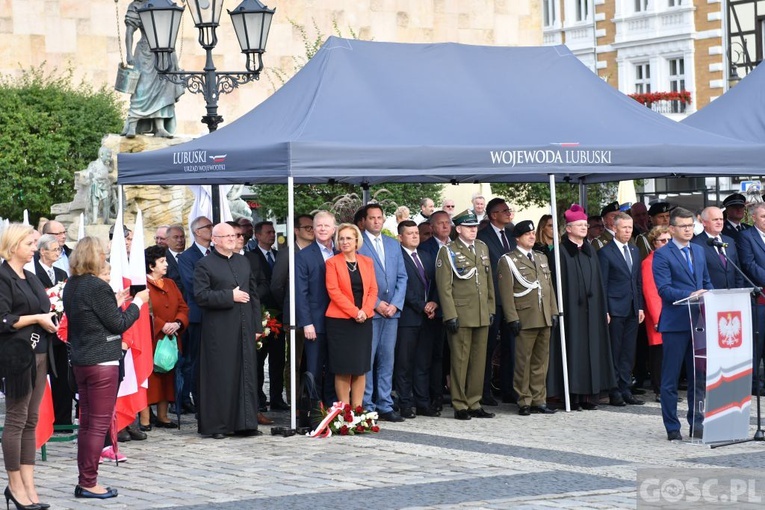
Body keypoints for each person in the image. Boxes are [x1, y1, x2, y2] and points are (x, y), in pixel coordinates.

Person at [63, 236, 148, 499]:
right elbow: (119, 324)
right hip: (101, 361)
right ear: (93, 256)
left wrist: (116, 299)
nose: (105, 257)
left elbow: (94, 315)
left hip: (82, 360)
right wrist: (137, 303)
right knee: (97, 426)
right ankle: (88, 482)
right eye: (102, 253)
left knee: (88, 424)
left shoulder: (73, 285)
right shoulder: (95, 286)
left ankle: (86, 479)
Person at [0, 224, 59, 510]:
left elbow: (44, 308)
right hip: (18, 356)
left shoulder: (33, 278)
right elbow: (4, 320)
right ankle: (14, 484)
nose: (34, 248)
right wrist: (37, 318)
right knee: (16, 418)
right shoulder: (2, 277)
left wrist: (49, 315)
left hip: (41, 353)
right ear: (13, 246)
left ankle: (29, 483)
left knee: (31, 420)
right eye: (29, 243)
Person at [194, 223, 263, 439]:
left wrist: (257, 325)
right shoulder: (204, 265)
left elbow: (253, 293)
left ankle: (245, 423)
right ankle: (218, 425)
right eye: (227, 236)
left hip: (244, 327)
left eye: (234, 235)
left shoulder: (243, 261)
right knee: (221, 376)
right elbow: (201, 296)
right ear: (214, 239)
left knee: (246, 373)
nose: (232, 239)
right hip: (220, 330)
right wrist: (228, 296)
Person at [653, 207, 712, 441]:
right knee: (670, 378)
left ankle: (697, 424)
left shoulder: (699, 251)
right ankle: (672, 427)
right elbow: (664, 289)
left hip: (698, 322)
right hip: (675, 323)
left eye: (691, 226)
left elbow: (706, 281)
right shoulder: (663, 255)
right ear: (672, 229)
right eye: (683, 226)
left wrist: (710, 293)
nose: (688, 230)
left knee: (697, 378)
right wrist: (694, 293)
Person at [547, 205, 614, 410]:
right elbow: (555, 284)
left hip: (592, 310)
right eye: (580, 225)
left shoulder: (591, 251)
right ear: (568, 228)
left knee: (592, 350)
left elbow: (599, 283)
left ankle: (589, 395)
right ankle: (572, 396)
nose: (585, 228)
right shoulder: (559, 253)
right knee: (573, 348)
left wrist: (604, 309)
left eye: (586, 224)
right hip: (570, 311)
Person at [435, 210, 496, 420]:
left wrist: (491, 308)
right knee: (460, 360)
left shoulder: (482, 247)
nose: (473, 230)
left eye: (475, 227)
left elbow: (488, 282)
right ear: (458, 229)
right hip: (461, 313)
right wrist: (450, 314)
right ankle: (460, 404)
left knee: (479, 361)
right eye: (469, 227)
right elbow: (444, 287)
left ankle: (474, 401)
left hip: (481, 312)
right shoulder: (448, 251)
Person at [497, 220, 558, 416]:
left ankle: (539, 399)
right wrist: (512, 318)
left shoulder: (541, 258)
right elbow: (506, 293)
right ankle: (524, 399)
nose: (532, 236)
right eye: (527, 234)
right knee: (523, 361)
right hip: (525, 316)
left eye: (533, 233)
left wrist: (553, 311)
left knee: (541, 361)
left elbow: (548, 288)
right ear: (517, 238)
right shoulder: (508, 260)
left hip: (543, 316)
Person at [358, 204, 408, 422]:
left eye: (379, 217)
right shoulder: (358, 243)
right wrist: (377, 304)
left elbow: (402, 277)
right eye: (372, 218)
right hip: (371, 310)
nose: (377, 221)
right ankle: (367, 405)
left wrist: (395, 304)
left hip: (392, 312)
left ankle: (385, 404)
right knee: (368, 359)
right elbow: (358, 281)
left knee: (387, 359)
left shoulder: (392, 244)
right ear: (365, 221)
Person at [325, 224, 377, 408]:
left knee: (360, 368)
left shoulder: (367, 262)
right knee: (343, 369)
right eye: (341, 238)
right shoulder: (332, 263)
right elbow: (334, 291)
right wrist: (355, 312)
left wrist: (364, 311)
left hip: (364, 321)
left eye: (348, 238)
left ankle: (358, 411)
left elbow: (372, 290)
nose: (345, 242)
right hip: (340, 322)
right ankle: (344, 411)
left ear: (357, 241)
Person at [597, 212, 645, 407]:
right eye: (624, 227)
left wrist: (640, 306)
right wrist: (606, 309)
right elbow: (604, 284)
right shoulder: (605, 252)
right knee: (615, 351)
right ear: (614, 229)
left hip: (633, 308)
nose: (628, 231)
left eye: (630, 227)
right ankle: (614, 389)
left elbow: (638, 282)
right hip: (615, 308)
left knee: (628, 351)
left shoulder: (634, 250)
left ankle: (626, 388)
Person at [139, 245, 188, 430]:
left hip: (171, 339)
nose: (166, 264)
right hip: (151, 339)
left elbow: (183, 307)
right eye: (162, 261)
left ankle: (163, 416)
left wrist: (178, 322)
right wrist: (161, 325)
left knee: (168, 378)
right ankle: (144, 419)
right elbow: (143, 312)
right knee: (150, 380)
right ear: (151, 266)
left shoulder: (170, 284)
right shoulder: (142, 285)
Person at [395, 220, 440, 418]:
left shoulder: (426, 256)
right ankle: (405, 403)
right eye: (410, 233)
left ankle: (423, 402)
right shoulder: (397, 257)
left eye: (416, 233)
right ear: (400, 237)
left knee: (423, 363)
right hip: (407, 317)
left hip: (428, 318)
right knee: (405, 363)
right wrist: (422, 305)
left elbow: (439, 282)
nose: (415, 236)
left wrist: (434, 303)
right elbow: (401, 288)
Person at [121, 0, 184, 138]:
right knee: (140, 89)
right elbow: (129, 32)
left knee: (163, 89)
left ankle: (160, 127)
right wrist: (129, 53)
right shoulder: (136, 5)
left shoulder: (164, 3)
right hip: (144, 52)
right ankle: (132, 125)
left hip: (164, 53)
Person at [476, 198, 517, 405]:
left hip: (512, 299)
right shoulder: (482, 238)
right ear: (493, 215)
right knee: (488, 346)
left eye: (508, 210)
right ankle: (484, 390)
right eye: (504, 211)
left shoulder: (511, 236)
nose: (508, 213)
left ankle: (508, 389)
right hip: (492, 299)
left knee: (511, 345)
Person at [295, 211, 337, 405]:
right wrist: (307, 323)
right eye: (318, 225)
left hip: (339, 321)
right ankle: (313, 410)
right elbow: (300, 293)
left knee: (335, 367)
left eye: (326, 226)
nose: (322, 229)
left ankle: (332, 408)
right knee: (313, 367)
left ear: (334, 229)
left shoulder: (341, 252)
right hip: (316, 323)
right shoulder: (303, 256)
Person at [34, 235, 72, 429]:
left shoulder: (60, 272)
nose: (58, 252)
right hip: (40, 330)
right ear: (42, 251)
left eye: (59, 249)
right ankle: (43, 420)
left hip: (60, 331)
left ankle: (63, 419)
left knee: (63, 374)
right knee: (43, 375)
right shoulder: (32, 272)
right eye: (54, 249)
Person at [176, 216, 213, 414]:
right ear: (197, 232)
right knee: (194, 360)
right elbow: (192, 285)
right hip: (199, 315)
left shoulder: (216, 252)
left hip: (218, 315)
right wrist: (220, 291)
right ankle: (193, 399)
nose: (212, 229)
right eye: (208, 227)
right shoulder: (187, 257)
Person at [250, 221, 287, 411]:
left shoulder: (279, 255)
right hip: (261, 313)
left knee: (278, 359)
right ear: (257, 235)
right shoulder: (251, 257)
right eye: (268, 232)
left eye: (273, 232)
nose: (272, 235)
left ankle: (277, 396)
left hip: (278, 314)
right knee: (258, 359)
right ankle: (258, 396)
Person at [736, 202, 765, 394]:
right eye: (763, 217)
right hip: (759, 298)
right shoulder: (746, 236)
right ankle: (755, 384)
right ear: (753, 217)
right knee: (758, 343)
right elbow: (749, 264)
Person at [642, 226, 671, 402]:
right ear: (654, 243)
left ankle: (667, 389)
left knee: (669, 354)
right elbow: (650, 292)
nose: (667, 244)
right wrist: (658, 318)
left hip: (671, 313)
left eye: (669, 240)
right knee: (659, 354)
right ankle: (659, 390)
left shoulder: (668, 259)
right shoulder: (649, 262)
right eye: (663, 240)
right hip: (658, 315)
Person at [692, 206, 743, 291]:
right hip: (710, 295)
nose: (719, 222)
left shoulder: (729, 241)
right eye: (715, 220)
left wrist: (739, 290)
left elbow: (737, 270)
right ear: (704, 222)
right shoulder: (696, 244)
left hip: (733, 294)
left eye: (721, 219)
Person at [164, 224, 186, 295]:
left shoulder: (191, 256)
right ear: (167, 240)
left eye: (182, 237)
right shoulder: (163, 259)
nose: (180, 240)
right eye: (175, 237)